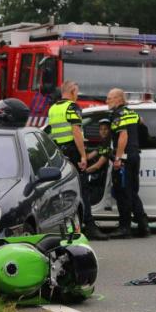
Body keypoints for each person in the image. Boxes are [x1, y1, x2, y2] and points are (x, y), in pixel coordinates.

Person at [47, 81, 108, 240]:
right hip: (73, 151)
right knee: (82, 190)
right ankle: (89, 225)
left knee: (65, 191)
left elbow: (53, 134)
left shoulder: (53, 108)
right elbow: (76, 132)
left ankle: (70, 225)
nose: (77, 94)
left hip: (60, 154)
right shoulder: (72, 107)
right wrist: (82, 155)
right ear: (72, 91)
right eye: (77, 91)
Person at [107, 88, 150, 238]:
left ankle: (124, 228)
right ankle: (143, 225)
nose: (107, 101)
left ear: (119, 99)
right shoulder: (132, 113)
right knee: (132, 192)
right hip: (134, 156)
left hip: (124, 158)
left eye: (110, 98)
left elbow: (123, 136)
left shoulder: (118, 114)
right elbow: (142, 124)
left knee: (123, 193)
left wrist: (118, 158)